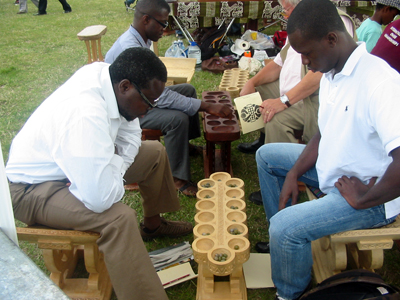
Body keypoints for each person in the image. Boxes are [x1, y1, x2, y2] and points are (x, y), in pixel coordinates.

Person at [6, 47, 193, 300]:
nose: (149, 110)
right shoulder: (85, 114)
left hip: (70, 166)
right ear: (125, 86)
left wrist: (114, 164)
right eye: (148, 102)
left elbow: (131, 134)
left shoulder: (107, 75)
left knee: (154, 153)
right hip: (31, 189)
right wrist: (113, 165)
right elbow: (100, 198)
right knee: (118, 219)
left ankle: (153, 225)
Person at [255, 0, 400, 299]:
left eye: (307, 53)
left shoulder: (381, 82)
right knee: (266, 157)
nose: (306, 63)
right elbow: (323, 134)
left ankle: (290, 293)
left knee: (285, 227)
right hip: (335, 173)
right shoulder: (333, 71)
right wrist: (294, 172)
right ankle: (284, 244)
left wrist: (365, 200)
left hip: (370, 195)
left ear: (331, 39)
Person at [105, 0, 233, 197]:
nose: (166, 29)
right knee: (176, 119)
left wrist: (199, 104)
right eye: (163, 23)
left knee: (188, 90)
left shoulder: (140, 39)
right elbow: (161, 96)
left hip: (141, 99)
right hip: (129, 111)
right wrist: (206, 106)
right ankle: (176, 178)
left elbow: (154, 90)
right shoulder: (130, 47)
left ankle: (184, 146)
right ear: (146, 19)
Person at [237, 0, 356, 207]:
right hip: (291, 90)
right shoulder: (300, 24)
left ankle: (281, 184)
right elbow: (278, 64)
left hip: (310, 96)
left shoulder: (334, 21)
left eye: (286, 8)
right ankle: (264, 139)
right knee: (257, 91)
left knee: (276, 119)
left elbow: (318, 74)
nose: (284, 13)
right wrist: (252, 82)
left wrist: (284, 101)